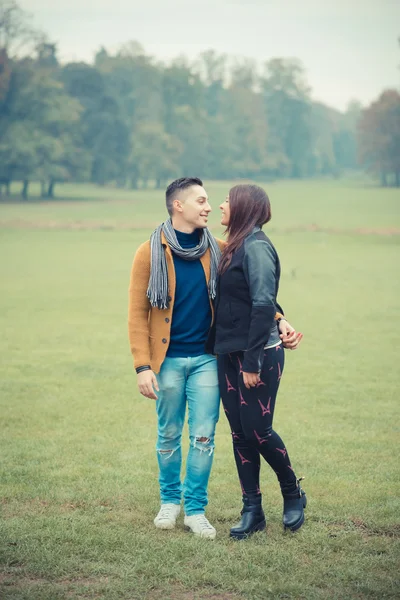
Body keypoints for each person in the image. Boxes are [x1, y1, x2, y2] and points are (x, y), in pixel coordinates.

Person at [128, 177, 301, 540]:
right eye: (202, 201)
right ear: (179, 206)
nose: (209, 207)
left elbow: (250, 293)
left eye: (212, 201)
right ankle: (169, 502)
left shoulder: (220, 248)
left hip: (209, 359)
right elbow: (136, 312)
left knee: (205, 436)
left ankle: (195, 509)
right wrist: (143, 366)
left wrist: (280, 319)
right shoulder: (149, 252)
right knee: (169, 434)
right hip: (168, 360)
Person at [206, 183, 306, 539]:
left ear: (244, 207)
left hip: (259, 355)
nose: (220, 205)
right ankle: (253, 510)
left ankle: (292, 491)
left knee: (259, 431)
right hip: (228, 353)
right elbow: (243, 298)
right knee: (239, 434)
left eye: (227, 201)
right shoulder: (234, 247)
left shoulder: (258, 247)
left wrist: (251, 362)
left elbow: (264, 303)